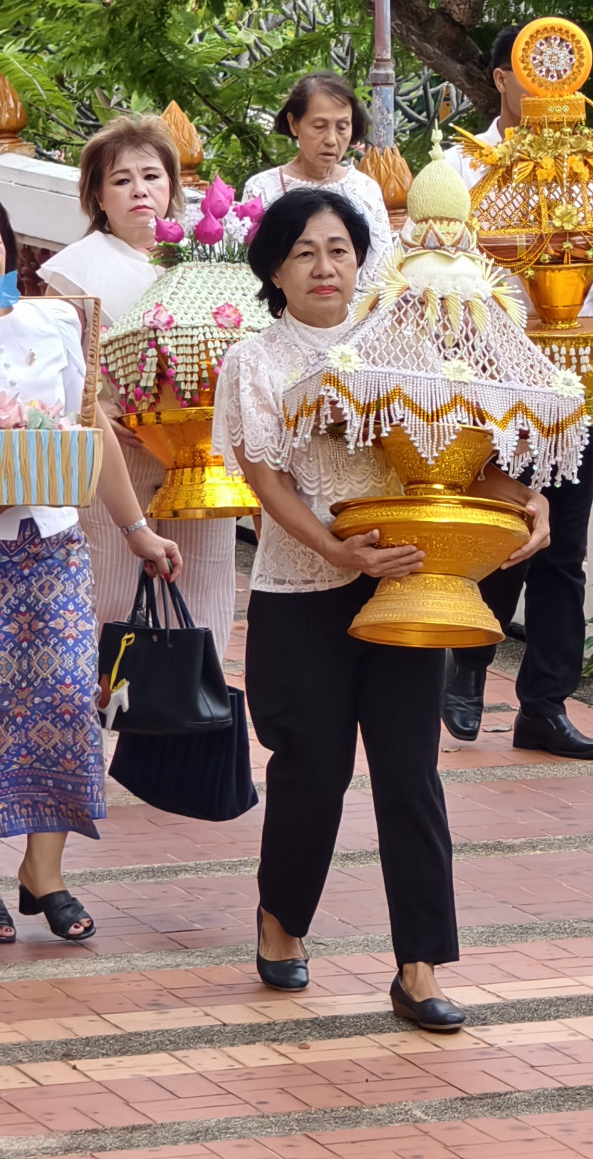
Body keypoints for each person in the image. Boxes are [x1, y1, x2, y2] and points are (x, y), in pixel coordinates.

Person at [215, 188, 548, 1030]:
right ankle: (282, 919)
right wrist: (332, 548)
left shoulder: (413, 344)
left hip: (408, 581)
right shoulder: (255, 362)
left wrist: (523, 502)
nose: (324, 267)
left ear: (362, 260)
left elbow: (470, 450)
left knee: (410, 775)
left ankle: (420, 966)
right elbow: (266, 480)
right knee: (311, 773)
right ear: (273, 270)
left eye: (338, 249)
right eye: (302, 253)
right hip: (300, 592)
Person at [0, 179, 184, 946]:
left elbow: (87, 427)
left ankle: (45, 871)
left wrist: (135, 530)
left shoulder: (53, 319)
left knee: (63, 697)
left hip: (52, 548)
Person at [443, 23, 593, 758]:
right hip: (488, 384)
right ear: (502, 79)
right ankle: (464, 674)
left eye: (564, 75)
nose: (552, 90)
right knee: (494, 535)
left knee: (564, 557)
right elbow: (434, 273)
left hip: (574, 386)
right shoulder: (459, 169)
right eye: (535, 72)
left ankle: (544, 704)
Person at [39, 117, 237, 638]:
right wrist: (95, 407)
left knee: (206, 589)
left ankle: (199, 711)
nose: (139, 191)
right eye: (121, 180)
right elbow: (48, 365)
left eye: (151, 176)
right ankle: (103, 712)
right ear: (98, 197)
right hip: (117, 453)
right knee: (111, 593)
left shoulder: (208, 259)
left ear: (172, 186)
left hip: (200, 452)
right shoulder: (74, 270)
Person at [241, 74, 394, 285]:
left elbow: (382, 272)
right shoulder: (262, 189)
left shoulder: (365, 189)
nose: (331, 140)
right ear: (294, 124)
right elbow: (251, 273)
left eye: (342, 127)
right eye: (319, 126)